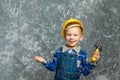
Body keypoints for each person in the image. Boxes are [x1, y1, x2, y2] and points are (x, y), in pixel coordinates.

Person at [34, 18, 100, 80]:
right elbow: (53, 67)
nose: (71, 37)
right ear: (64, 36)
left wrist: (93, 62)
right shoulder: (59, 52)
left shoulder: (82, 55)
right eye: (69, 34)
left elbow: (85, 72)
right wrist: (43, 61)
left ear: (81, 37)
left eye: (75, 35)